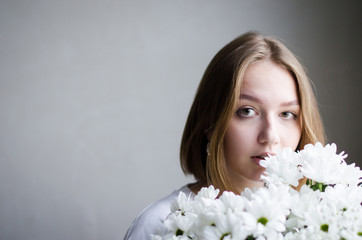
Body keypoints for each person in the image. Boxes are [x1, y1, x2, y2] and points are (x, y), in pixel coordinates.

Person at [123, 31, 325, 240]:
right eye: (247, 111)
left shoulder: (315, 220)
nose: (270, 135)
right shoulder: (161, 224)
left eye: (286, 114)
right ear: (209, 123)